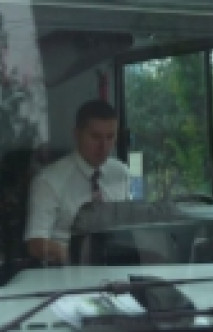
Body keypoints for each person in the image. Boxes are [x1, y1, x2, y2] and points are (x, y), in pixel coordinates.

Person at [24, 99, 132, 264]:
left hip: (115, 265)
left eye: (110, 137)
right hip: (67, 271)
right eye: (95, 137)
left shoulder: (121, 173)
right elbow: (36, 244)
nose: (104, 146)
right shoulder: (48, 181)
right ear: (77, 134)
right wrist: (78, 256)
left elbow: (128, 227)